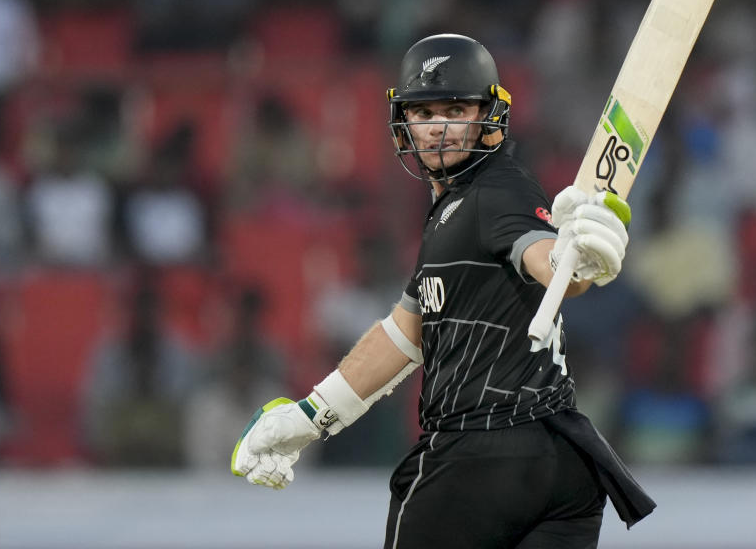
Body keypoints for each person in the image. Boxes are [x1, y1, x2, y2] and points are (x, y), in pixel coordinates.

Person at [231, 34, 655, 547]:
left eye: (455, 108)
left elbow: (551, 263)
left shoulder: (496, 193)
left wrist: (578, 260)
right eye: (423, 111)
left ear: (489, 118)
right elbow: (405, 333)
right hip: (563, 468)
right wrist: (309, 418)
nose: (438, 128)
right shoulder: (454, 211)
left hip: (477, 458)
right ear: (402, 121)